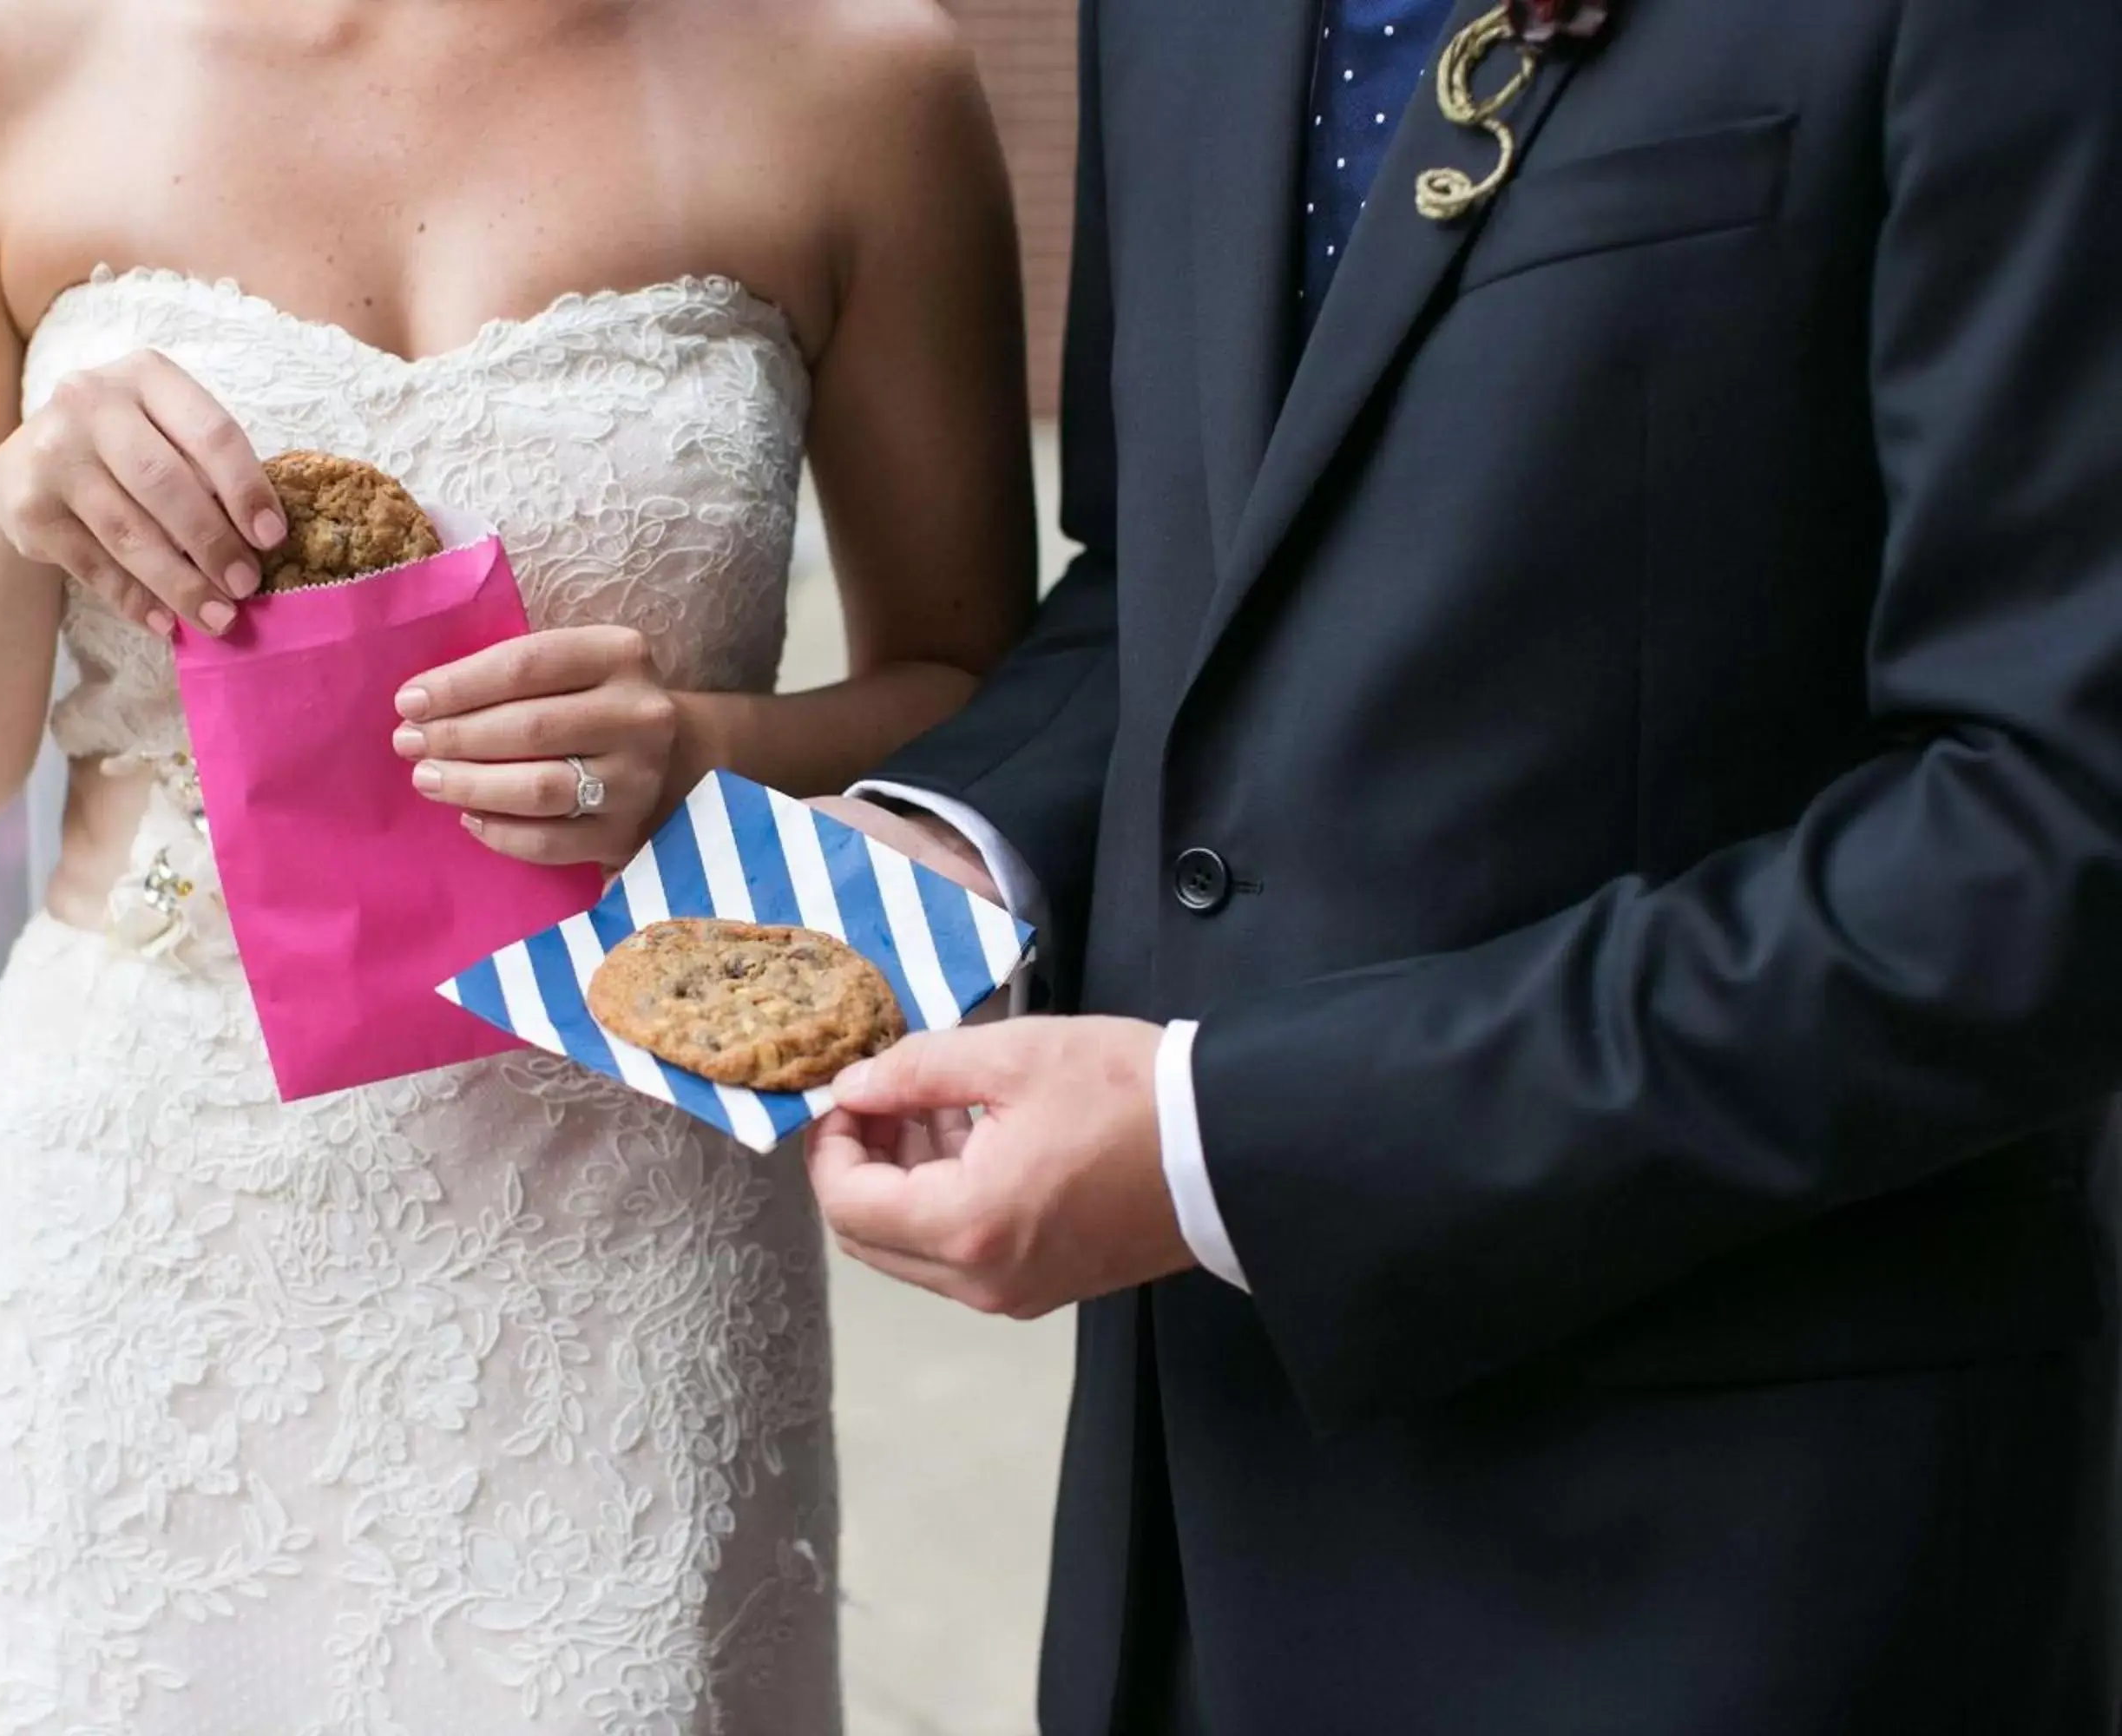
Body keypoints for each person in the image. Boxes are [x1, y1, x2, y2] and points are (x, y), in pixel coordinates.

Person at [814, 0, 2122, 1727]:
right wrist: (946, 843)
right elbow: (1175, 578)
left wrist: (1236, 1142)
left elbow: (2052, 835)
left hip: (1738, 1574)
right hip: (1199, 1546)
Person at [0, 0, 1036, 1726]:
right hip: (140, 1228)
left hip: (627, 1230)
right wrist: (11, 516)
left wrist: (704, 748)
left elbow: (989, 707)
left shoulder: (852, 76)